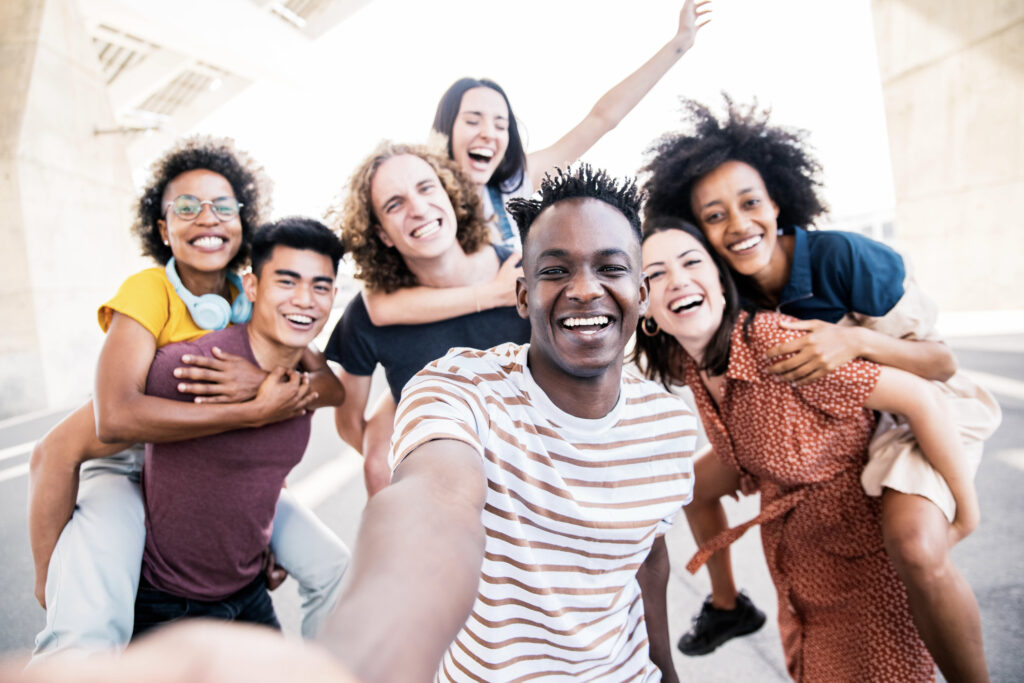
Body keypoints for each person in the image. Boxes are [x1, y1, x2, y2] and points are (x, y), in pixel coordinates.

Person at [641, 100, 999, 681]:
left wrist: (854, 343)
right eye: (714, 215)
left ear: (778, 201)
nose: (737, 224)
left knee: (915, 547)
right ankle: (727, 604)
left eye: (750, 203)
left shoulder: (842, 257)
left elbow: (940, 364)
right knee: (692, 483)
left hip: (920, 402)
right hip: (839, 411)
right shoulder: (727, 291)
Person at [320, 165, 696, 682]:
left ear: (643, 293)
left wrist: (666, 670)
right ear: (522, 296)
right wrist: (368, 640)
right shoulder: (456, 388)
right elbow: (437, 501)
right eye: (555, 271)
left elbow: (647, 555)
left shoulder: (669, 425)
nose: (585, 289)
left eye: (610, 268)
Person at [27, 137, 349, 658]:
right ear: (162, 228)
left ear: (243, 222)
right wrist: (248, 410)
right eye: (186, 206)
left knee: (334, 567)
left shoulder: (249, 299)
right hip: (126, 466)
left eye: (224, 206)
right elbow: (113, 419)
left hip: (204, 462)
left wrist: (266, 397)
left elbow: (328, 387)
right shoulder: (149, 291)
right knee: (89, 619)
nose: (207, 218)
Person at [361, 0, 711, 327]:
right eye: (472, 120)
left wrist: (678, 45)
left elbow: (601, 119)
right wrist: (489, 295)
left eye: (501, 124)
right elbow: (379, 305)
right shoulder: (421, 208)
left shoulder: (516, 182)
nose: (488, 133)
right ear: (446, 129)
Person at [134, 217, 344, 636]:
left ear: (333, 296)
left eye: (320, 287)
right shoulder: (194, 366)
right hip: (171, 604)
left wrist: (263, 535)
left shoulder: (304, 379)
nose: (305, 300)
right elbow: (89, 436)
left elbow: (262, 468)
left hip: (247, 592)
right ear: (252, 287)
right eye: (287, 282)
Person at [324, 141, 530, 495]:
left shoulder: (521, 273)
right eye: (395, 204)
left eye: (426, 187)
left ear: (449, 194)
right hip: (446, 515)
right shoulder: (369, 314)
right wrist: (403, 460)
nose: (418, 208)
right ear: (382, 235)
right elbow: (349, 423)